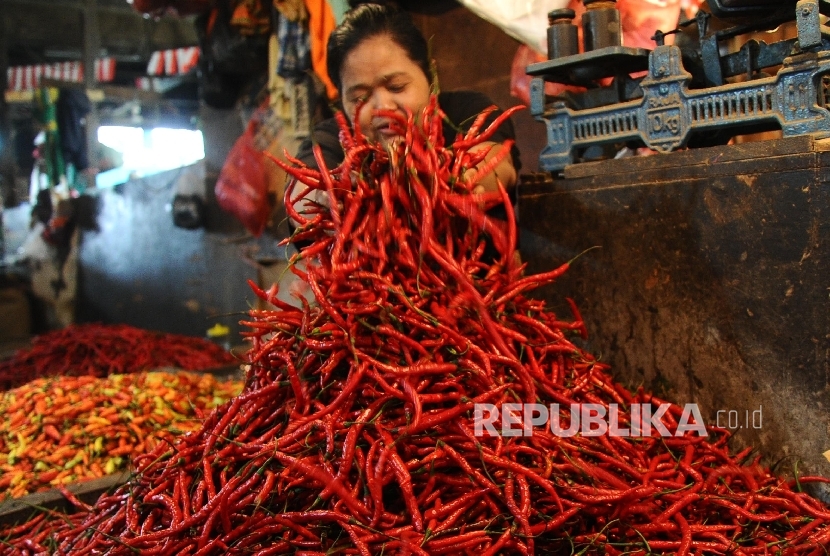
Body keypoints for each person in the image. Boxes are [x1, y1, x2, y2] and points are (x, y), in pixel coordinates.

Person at [288, 1, 521, 226]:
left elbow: (497, 165)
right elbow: (301, 197)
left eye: (396, 86)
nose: (382, 106)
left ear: (430, 75)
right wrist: (323, 201)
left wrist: (464, 180)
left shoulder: (466, 111)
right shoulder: (331, 139)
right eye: (360, 98)